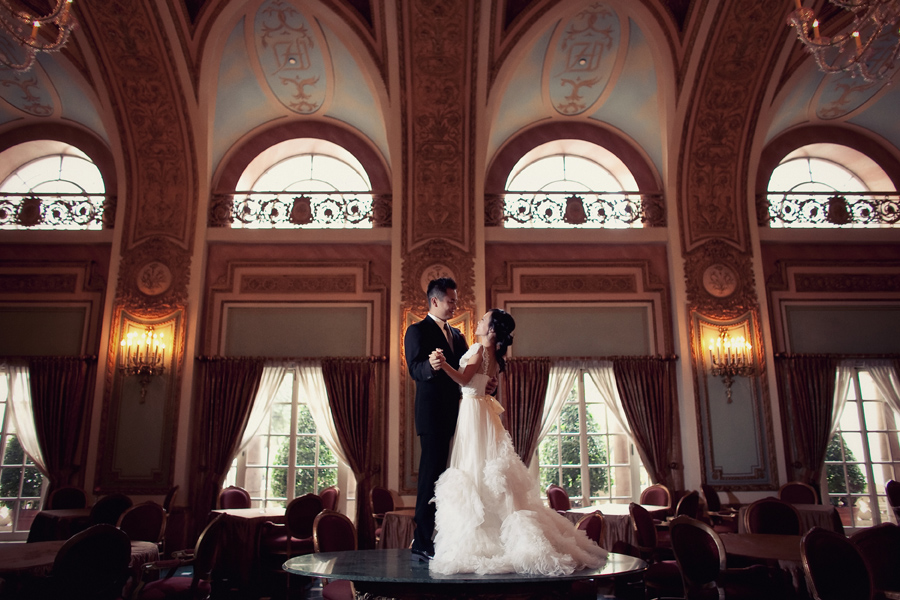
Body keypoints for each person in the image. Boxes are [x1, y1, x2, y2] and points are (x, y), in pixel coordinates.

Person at [429, 309, 607, 575]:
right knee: (482, 468)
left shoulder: (478, 349)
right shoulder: (495, 357)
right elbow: (482, 383)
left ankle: (490, 541)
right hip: (482, 412)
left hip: (473, 414)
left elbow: (465, 379)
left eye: (483, 319)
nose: (478, 321)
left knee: (475, 468)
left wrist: (443, 366)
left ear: (491, 330)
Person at [404, 277, 472, 561]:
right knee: (430, 478)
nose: (455, 305)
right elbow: (414, 369)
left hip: (460, 416)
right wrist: (430, 367)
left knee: (453, 477)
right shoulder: (416, 330)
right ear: (435, 301)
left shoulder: (457, 335)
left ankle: (448, 536)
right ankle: (421, 540)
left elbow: (467, 372)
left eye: (455, 300)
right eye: (451, 300)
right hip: (432, 416)